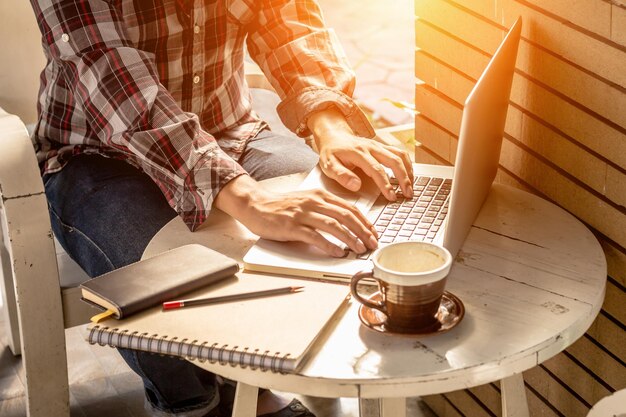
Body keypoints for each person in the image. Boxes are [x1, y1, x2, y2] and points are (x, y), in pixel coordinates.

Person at [29, 0, 413, 416]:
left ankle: (261, 379)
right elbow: (116, 82)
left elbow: (288, 21)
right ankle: (191, 404)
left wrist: (331, 127)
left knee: (340, 214)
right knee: (154, 286)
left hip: (232, 134)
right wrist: (249, 199)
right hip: (97, 157)